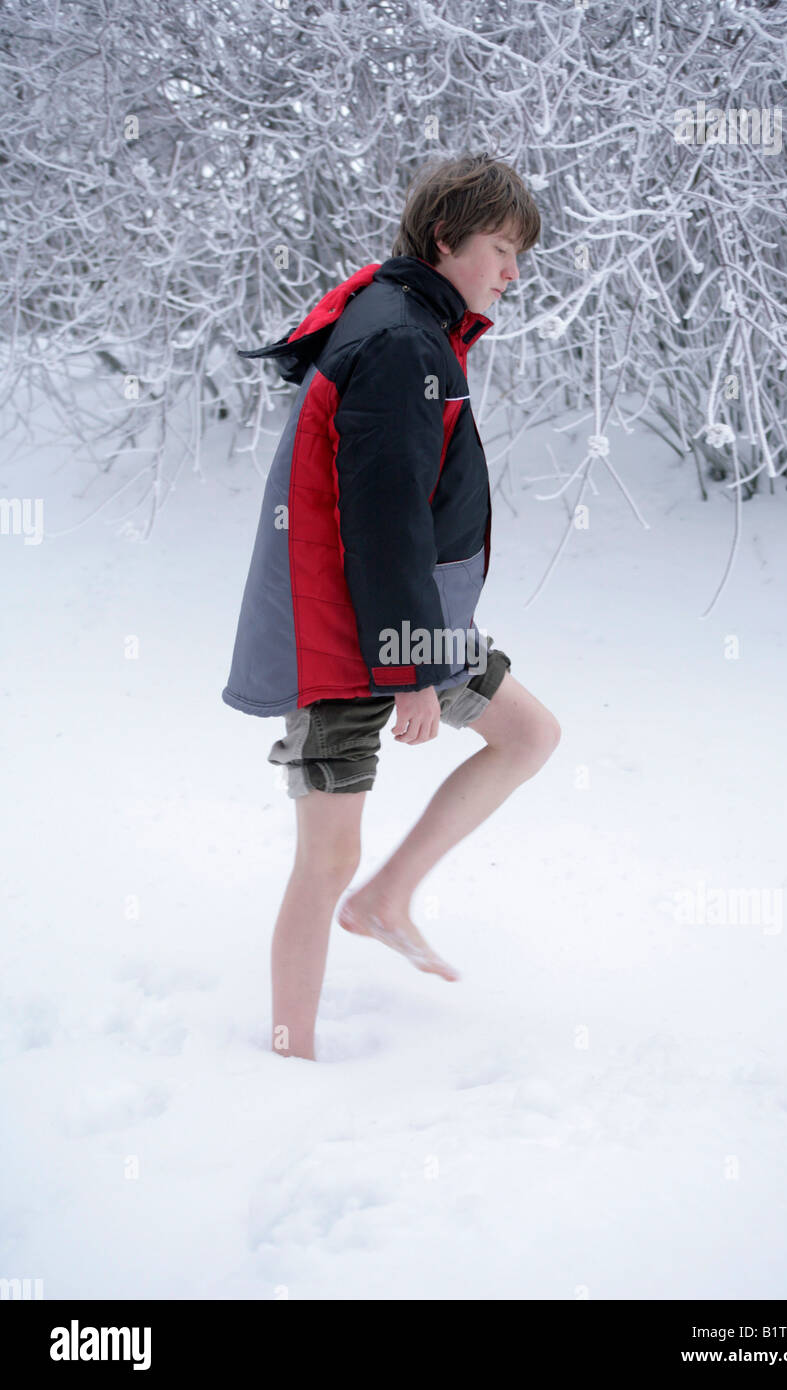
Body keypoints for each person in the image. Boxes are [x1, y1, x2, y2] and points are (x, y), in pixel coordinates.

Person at [223, 153, 560, 1061]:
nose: (512, 272)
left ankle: (386, 900)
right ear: (446, 240)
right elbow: (381, 525)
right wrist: (412, 673)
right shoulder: (403, 342)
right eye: (501, 248)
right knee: (323, 857)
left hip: (411, 621)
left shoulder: (403, 314)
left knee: (528, 735)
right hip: (346, 638)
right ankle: (289, 1055)